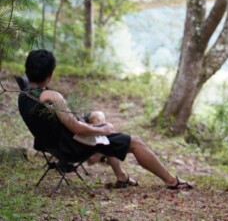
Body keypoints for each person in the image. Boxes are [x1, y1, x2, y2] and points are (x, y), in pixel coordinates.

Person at [18, 49, 193, 190]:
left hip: (52, 145)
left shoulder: (23, 95)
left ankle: (119, 174)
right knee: (135, 142)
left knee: (96, 116)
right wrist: (103, 129)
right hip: (72, 147)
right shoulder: (52, 96)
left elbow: (67, 123)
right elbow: (77, 129)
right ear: (50, 75)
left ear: (27, 70)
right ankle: (171, 181)